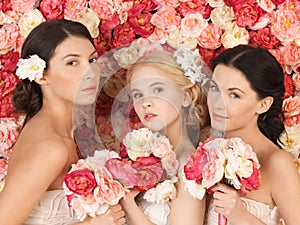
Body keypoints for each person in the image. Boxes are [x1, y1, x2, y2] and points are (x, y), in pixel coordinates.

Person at [0, 19, 125, 225]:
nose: (90, 73)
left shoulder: (57, 130)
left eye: (92, 60)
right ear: (41, 75)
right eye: (72, 62)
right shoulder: (51, 147)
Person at [205, 45, 300, 225]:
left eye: (234, 95)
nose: (218, 103)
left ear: (263, 105)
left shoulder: (277, 163)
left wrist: (242, 216)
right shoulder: (206, 151)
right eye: (215, 89)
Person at [118, 44, 210, 225]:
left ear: (186, 96)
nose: (146, 103)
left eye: (158, 90)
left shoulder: (190, 166)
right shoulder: (135, 158)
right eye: (137, 94)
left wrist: (128, 204)